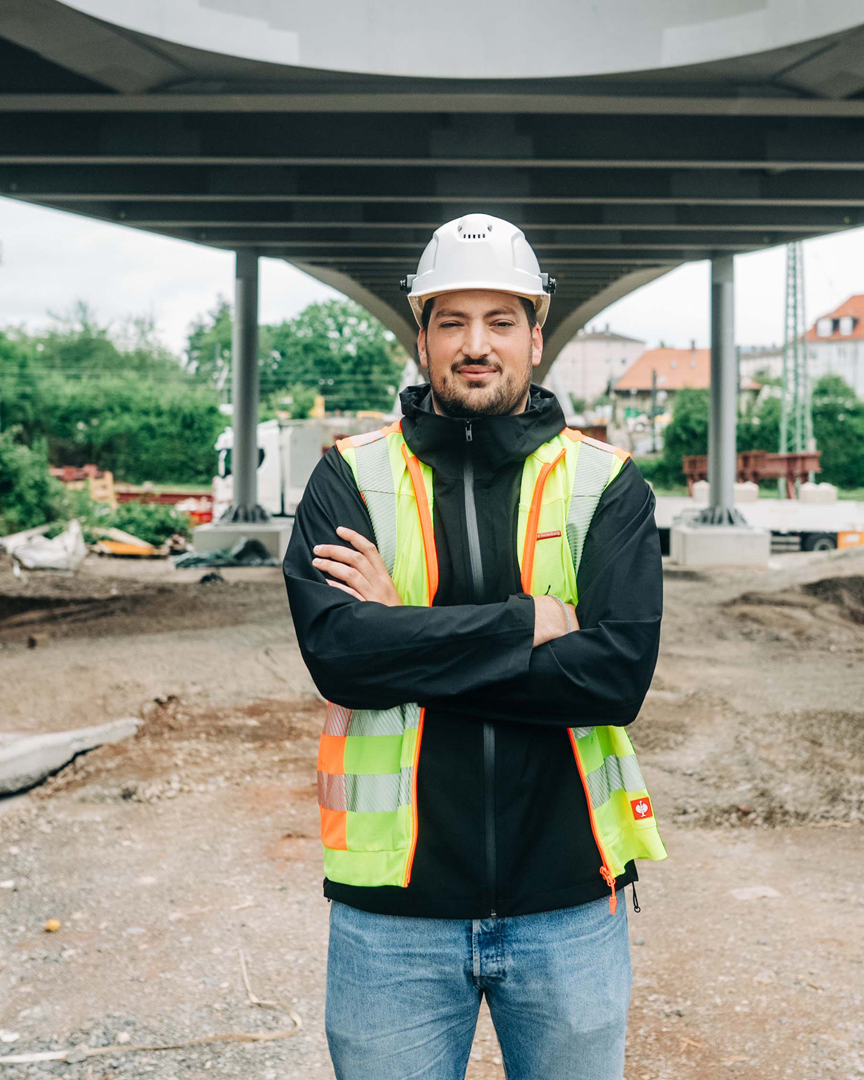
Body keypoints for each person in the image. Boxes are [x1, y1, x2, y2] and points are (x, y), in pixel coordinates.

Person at [282, 213, 667, 1080]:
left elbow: (612, 680)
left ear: (537, 337)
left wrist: (403, 641)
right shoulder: (351, 475)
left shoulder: (606, 483)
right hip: (392, 920)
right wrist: (526, 622)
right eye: (452, 321)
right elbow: (340, 658)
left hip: (569, 905)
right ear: (420, 337)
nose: (476, 344)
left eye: (500, 322)